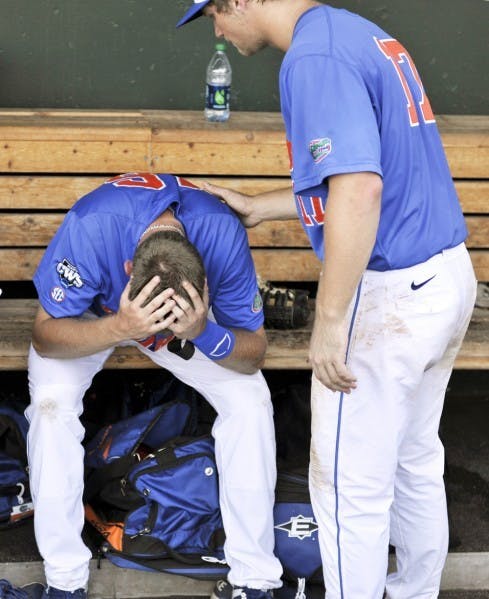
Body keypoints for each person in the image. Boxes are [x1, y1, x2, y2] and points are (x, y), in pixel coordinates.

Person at [177, 2, 478, 598]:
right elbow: (367, 174)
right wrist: (262, 205)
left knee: (349, 489)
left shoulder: (314, 57)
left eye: (214, 11)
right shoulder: (357, 33)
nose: (215, 28)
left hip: (391, 295)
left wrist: (332, 319)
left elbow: (360, 190)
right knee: (414, 462)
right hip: (445, 277)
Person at [1, 173, 282, 599]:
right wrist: (119, 325)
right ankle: (65, 582)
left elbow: (253, 352)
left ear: (202, 281)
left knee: (251, 403)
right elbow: (45, 336)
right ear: (128, 270)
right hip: (98, 317)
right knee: (50, 407)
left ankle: (255, 580)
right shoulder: (92, 226)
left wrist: (202, 330)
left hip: (191, 326)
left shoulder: (221, 233)